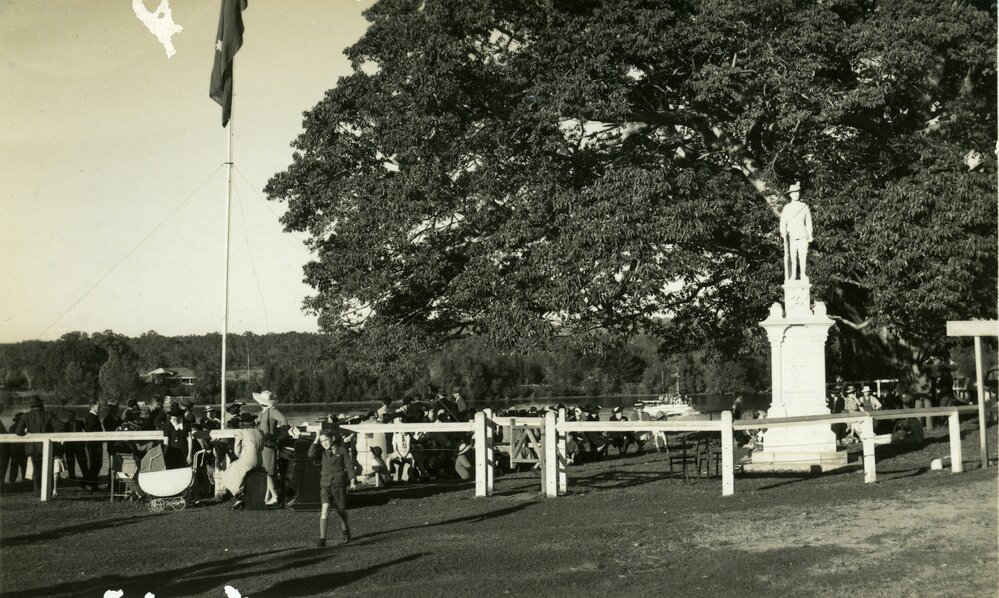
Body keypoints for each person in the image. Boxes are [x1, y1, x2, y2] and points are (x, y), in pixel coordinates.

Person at [309, 429, 354, 547]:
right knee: (325, 509)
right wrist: (316, 437)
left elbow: (349, 465)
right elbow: (311, 454)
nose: (324, 443)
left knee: (341, 511)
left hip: (338, 485)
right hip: (325, 485)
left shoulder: (342, 450)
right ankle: (322, 538)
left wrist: (352, 480)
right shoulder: (322, 452)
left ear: (332, 439)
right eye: (321, 441)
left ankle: (345, 531)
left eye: (326, 440)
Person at [221, 412, 263, 506]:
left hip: (247, 460)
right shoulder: (260, 432)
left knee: (229, 472)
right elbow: (261, 447)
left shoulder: (241, 432)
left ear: (242, 423)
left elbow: (237, 451)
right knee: (238, 470)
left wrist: (242, 457)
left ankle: (238, 496)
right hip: (260, 460)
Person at [254, 390, 288, 506]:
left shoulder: (272, 410)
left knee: (268, 471)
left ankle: (274, 496)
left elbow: (283, 420)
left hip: (268, 443)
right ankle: (267, 495)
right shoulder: (264, 411)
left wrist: (282, 435)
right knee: (266, 470)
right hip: (263, 443)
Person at [14, 397, 54, 493]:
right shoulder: (48, 414)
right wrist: (50, 432)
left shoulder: (25, 416)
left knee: (36, 469)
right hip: (46, 445)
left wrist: (27, 432)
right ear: (41, 404)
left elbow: (18, 432)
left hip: (32, 446)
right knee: (48, 467)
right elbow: (60, 426)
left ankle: (37, 490)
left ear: (31, 405)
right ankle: (49, 489)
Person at [779, 180, 812, 280]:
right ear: (790, 195)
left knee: (803, 256)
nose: (796, 194)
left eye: (797, 192)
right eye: (793, 193)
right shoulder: (787, 207)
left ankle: (803, 274)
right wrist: (783, 233)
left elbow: (809, 222)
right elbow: (783, 222)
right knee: (792, 256)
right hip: (791, 235)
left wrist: (810, 235)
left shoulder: (804, 207)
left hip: (803, 234)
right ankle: (793, 274)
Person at [82, 399, 105, 490]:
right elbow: (91, 430)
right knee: (96, 464)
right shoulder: (92, 417)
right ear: (93, 406)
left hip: (95, 445)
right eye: (98, 406)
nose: (100, 408)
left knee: (96, 464)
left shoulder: (93, 417)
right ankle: (86, 482)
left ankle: (93, 485)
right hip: (94, 445)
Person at [162, 403, 193, 470]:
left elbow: (190, 440)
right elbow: (166, 442)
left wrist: (189, 455)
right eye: (173, 417)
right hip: (172, 452)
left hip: (184, 451)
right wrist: (163, 456)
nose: (175, 420)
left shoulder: (186, 424)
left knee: (185, 469)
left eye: (176, 417)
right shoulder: (167, 425)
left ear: (180, 416)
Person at [390, 414, 414, 482]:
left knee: (412, 460)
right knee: (389, 459)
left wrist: (405, 455)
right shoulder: (396, 434)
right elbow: (395, 448)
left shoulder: (408, 435)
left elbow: (408, 447)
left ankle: (410, 478)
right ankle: (391, 478)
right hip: (398, 451)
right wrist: (400, 456)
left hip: (406, 452)